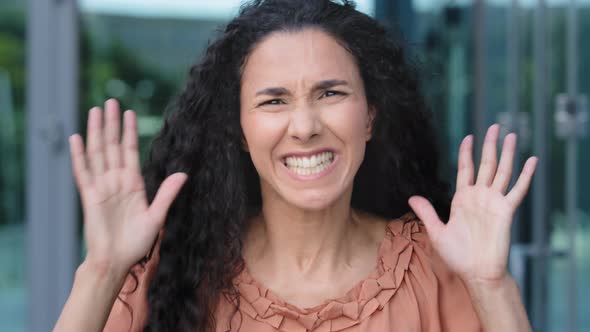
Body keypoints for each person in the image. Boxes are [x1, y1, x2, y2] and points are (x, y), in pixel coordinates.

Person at [53, 0, 537, 331]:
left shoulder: (435, 267)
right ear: (239, 131)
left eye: (330, 93)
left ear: (369, 116)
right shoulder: (172, 269)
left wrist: (490, 285)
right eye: (274, 101)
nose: (304, 126)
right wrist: (102, 269)